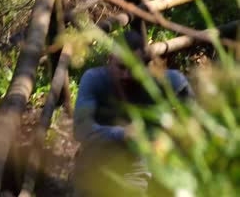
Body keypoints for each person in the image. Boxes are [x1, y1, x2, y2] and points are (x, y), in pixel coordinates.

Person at [73, 30, 193, 197]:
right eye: (121, 67)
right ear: (110, 61)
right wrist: (122, 134)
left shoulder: (164, 82)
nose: (126, 75)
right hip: (95, 163)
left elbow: (187, 97)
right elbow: (81, 129)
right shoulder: (94, 80)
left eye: (133, 68)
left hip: (136, 166)